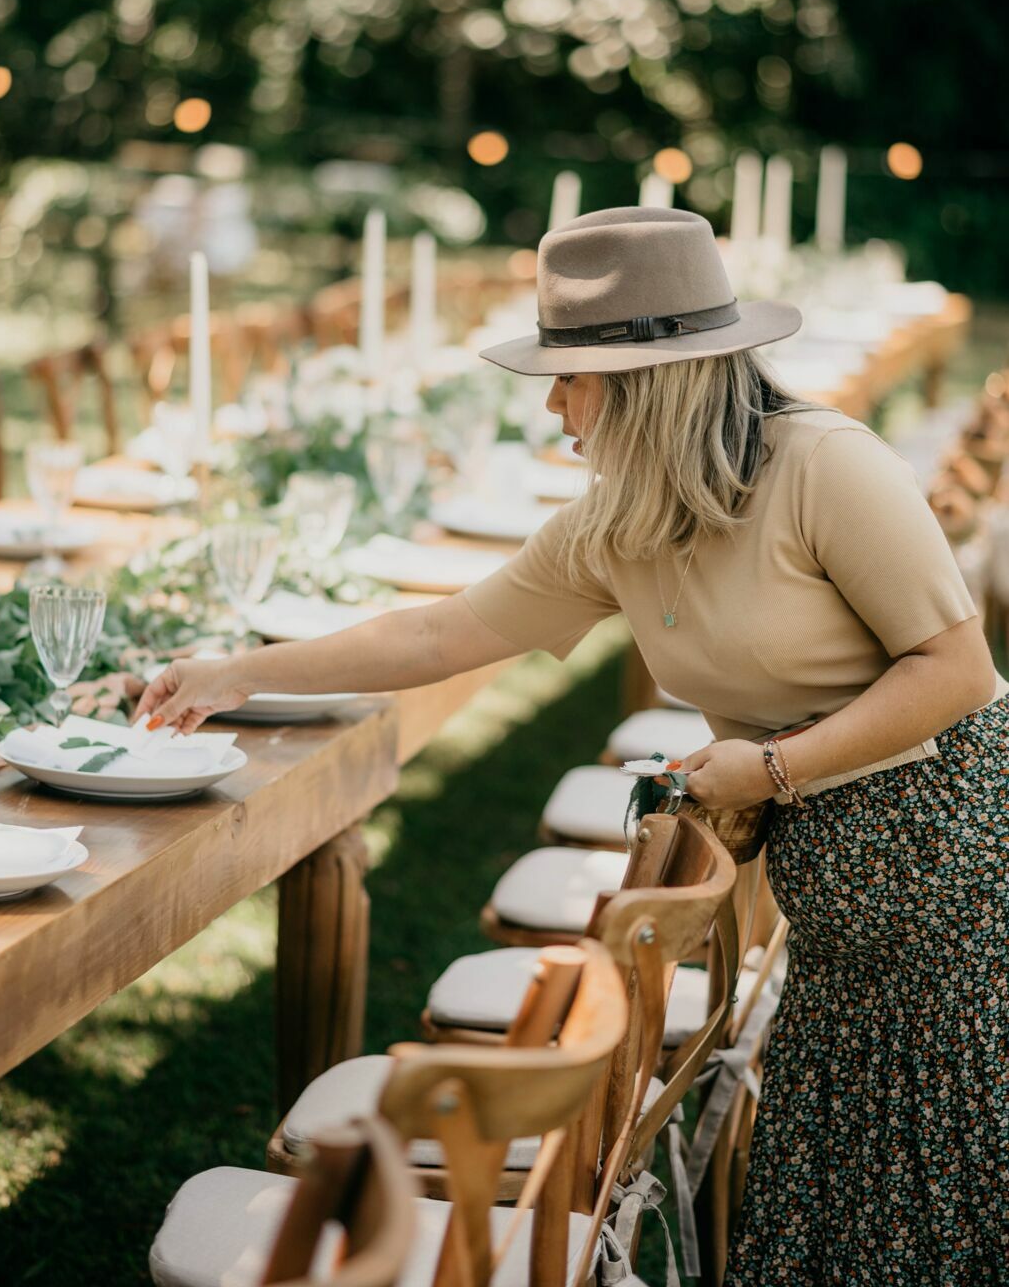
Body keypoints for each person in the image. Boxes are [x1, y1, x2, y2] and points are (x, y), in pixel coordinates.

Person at [137, 207, 1008, 1284]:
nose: (550, 401)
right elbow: (437, 630)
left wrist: (773, 769)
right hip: (842, 909)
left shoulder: (824, 465)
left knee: (940, 1196)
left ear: (651, 380)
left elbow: (957, 671)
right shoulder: (620, 521)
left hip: (954, 870)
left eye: (568, 375)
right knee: (850, 1207)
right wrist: (235, 670)